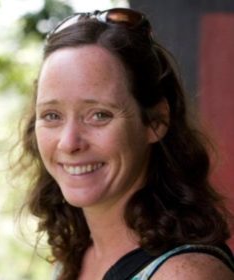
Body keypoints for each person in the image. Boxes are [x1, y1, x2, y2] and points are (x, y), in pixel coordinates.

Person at [17, 8, 234, 280]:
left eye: (99, 115)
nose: (69, 142)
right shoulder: (75, 258)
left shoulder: (183, 274)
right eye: (52, 115)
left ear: (155, 122)